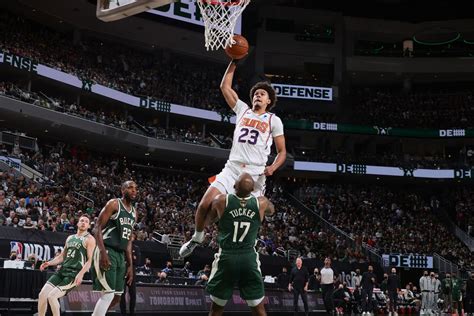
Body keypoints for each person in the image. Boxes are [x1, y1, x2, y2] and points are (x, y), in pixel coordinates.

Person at [179, 58, 287, 258]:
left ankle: (249, 249)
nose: (258, 95)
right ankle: (197, 237)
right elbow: (224, 86)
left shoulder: (274, 120)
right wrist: (234, 62)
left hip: (255, 173)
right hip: (232, 168)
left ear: (268, 101)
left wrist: (273, 167)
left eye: (262, 94)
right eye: (256, 93)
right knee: (205, 204)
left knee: (250, 216)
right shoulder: (242, 110)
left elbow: (282, 152)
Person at [205, 173, 275, 316]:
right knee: (259, 309)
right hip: (248, 258)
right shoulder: (260, 203)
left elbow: (208, 221)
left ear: (234, 186)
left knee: (216, 309)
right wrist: (260, 193)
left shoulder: (221, 200)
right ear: (252, 189)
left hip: (227, 257)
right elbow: (272, 211)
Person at [92, 181, 138, 316]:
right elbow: (97, 228)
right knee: (108, 294)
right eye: (130, 188)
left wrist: (130, 265)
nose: (134, 190)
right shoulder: (114, 204)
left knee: (117, 297)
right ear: (123, 190)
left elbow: (129, 240)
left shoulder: (134, 213)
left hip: (120, 255)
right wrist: (102, 253)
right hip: (107, 249)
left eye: (136, 189)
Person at [37, 214, 96, 316]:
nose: (83, 223)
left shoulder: (90, 239)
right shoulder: (70, 238)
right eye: (81, 220)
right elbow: (61, 257)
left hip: (73, 274)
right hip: (62, 271)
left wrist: (81, 274)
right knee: (42, 294)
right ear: (77, 223)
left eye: (86, 222)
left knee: (52, 296)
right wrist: (49, 263)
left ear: (89, 226)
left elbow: (90, 261)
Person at [120, 232, 140, 316]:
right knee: (122, 294)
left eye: (132, 236)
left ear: (134, 238)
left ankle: (132, 313)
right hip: (122, 271)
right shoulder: (122, 246)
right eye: (129, 236)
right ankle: (123, 313)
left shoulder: (136, 248)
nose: (131, 237)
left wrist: (130, 261)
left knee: (133, 293)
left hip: (132, 271)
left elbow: (137, 261)